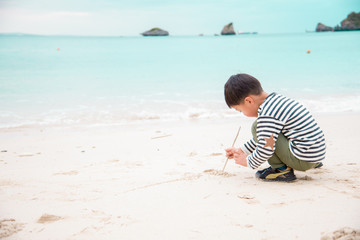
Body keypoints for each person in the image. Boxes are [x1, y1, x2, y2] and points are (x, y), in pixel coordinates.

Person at [224, 73, 326, 182]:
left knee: (256, 126)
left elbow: (266, 148)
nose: (242, 113)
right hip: (315, 154)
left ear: (249, 101)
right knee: (265, 130)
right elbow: (267, 136)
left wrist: (248, 161)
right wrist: (243, 150)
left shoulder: (267, 114)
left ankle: (281, 170)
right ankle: (305, 163)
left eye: (240, 110)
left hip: (303, 159)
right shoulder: (277, 101)